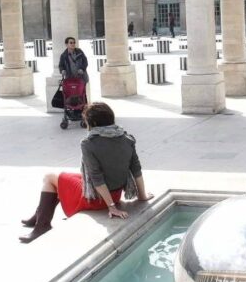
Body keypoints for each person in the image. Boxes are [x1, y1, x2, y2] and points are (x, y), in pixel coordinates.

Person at [19, 102, 153, 243]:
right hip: (114, 194)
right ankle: (39, 215)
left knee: (49, 178)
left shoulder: (89, 143)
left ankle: (42, 224)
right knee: (64, 176)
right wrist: (142, 196)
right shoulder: (127, 138)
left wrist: (112, 207)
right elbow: (136, 169)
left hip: (95, 198)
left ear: (93, 122)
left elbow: (96, 178)